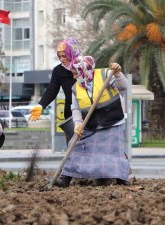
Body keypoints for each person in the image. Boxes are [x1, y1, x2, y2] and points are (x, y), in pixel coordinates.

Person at [54, 55, 130, 187]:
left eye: (74, 73)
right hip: (91, 125)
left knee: (115, 152)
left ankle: (121, 179)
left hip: (112, 122)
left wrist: (118, 74)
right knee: (75, 145)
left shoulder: (105, 74)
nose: (73, 76)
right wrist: (78, 124)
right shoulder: (76, 87)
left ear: (83, 70)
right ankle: (65, 177)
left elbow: (124, 87)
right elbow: (75, 108)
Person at [30, 38, 81, 142]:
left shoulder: (85, 66)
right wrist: (41, 105)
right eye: (59, 56)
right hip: (70, 115)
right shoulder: (58, 71)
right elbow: (52, 90)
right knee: (73, 148)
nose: (62, 59)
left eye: (64, 55)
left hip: (88, 112)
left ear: (72, 53)